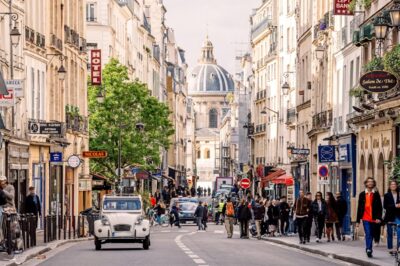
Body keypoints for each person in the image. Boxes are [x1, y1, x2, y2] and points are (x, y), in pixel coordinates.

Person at [356, 177, 383, 258]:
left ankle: (369, 248)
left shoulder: (376, 194)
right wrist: (357, 220)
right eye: (369, 182)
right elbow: (359, 207)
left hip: (374, 218)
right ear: (366, 183)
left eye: (372, 182)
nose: (370, 183)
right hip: (365, 218)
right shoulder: (362, 194)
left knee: (372, 233)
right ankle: (369, 249)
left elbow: (379, 207)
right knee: (368, 233)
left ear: (373, 183)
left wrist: (379, 218)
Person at [384, 180, 400, 255]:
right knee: (390, 233)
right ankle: (390, 249)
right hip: (389, 216)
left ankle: (398, 248)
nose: (393, 186)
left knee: (399, 232)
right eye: (392, 184)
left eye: (394, 184)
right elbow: (385, 206)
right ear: (390, 186)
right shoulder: (387, 195)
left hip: (398, 216)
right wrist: (395, 206)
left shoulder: (399, 194)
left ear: (396, 186)